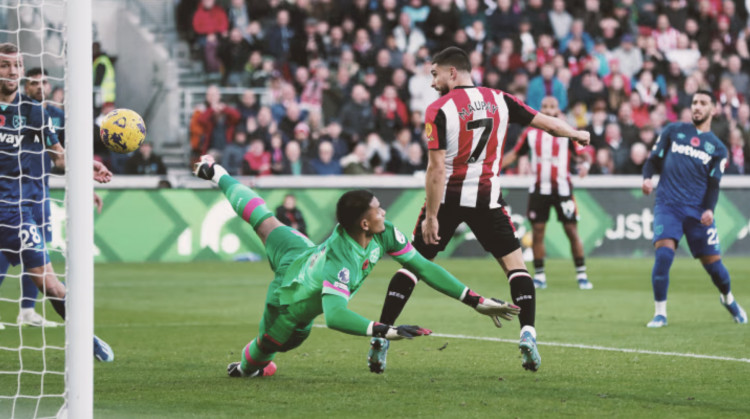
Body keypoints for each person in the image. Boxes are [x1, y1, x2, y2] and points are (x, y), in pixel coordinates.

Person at [192, 154, 520, 378]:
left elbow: (423, 266)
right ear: (364, 223)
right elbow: (335, 316)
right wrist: (384, 330)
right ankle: (246, 367)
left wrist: (474, 300)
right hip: (287, 304)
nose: (384, 214)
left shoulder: (384, 234)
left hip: (300, 253)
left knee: (263, 218)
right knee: (270, 348)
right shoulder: (341, 259)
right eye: (378, 210)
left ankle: (216, 172)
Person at [369, 47, 590, 373]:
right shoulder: (500, 99)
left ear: (452, 73)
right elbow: (546, 124)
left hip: (446, 202)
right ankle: (528, 333)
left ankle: (382, 335)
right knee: (516, 268)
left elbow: (436, 169)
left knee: (412, 265)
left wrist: (431, 217)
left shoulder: (438, 109)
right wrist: (576, 133)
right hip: (486, 200)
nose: (432, 82)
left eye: (435, 74)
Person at [0, 42, 115, 361]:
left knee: (49, 282)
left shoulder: (33, 111)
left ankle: (86, 338)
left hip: (15, 213)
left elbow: (60, 158)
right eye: (4, 65)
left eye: (16, 65)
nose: (11, 71)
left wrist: (86, 166)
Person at [642, 90, 747, 327]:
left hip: (697, 212)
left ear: (713, 110)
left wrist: (709, 209)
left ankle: (728, 299)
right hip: (668, 206)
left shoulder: (718, 149)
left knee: (716, 270)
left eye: (703, 103)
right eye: (695, 102)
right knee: (664, 254)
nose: (697, 107)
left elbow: (713, 184)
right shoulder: (673, 131)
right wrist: (647, 178)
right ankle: (660, 313)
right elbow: (652, 160)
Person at [501, 96, 593, 290]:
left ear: (558, 109)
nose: (549, 110)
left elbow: (583, 154)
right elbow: (515, 154)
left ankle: (582, 274)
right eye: (545, 107)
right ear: (540, 108)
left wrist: (585, 164)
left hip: (563, 190)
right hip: (538, 190)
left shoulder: (567, 131)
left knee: (571, 231)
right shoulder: (530, 133)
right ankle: (540, 276)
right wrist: (495, 166)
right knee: (538, 232)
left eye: (552, 106)